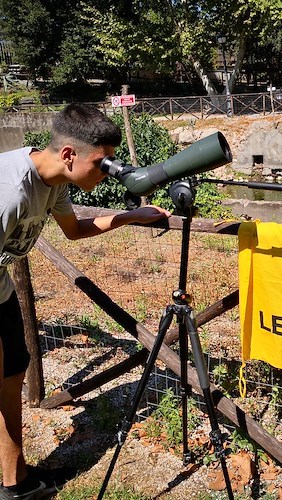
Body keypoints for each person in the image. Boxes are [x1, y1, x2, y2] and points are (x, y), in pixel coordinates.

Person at [0, 103, 171, 499]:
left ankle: (15, 483)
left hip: (1, 291)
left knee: (10, 380)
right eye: (103, 162)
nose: (109, 169)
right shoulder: (9, 192)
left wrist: (130, 217)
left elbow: (74, 229)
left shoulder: (55, 180)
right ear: (68, 154)